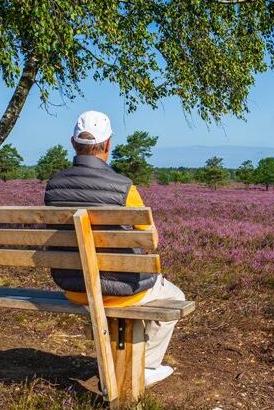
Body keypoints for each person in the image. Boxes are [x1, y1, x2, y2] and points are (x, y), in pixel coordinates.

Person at [44, 110, 183, 387]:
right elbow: (150, 238)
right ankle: (145, 367)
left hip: (74, 287)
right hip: (119, 292)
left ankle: (123, 358)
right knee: (175, 297)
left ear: (73, 144)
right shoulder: (124, 187)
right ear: (109, 144)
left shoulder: (54, 185)